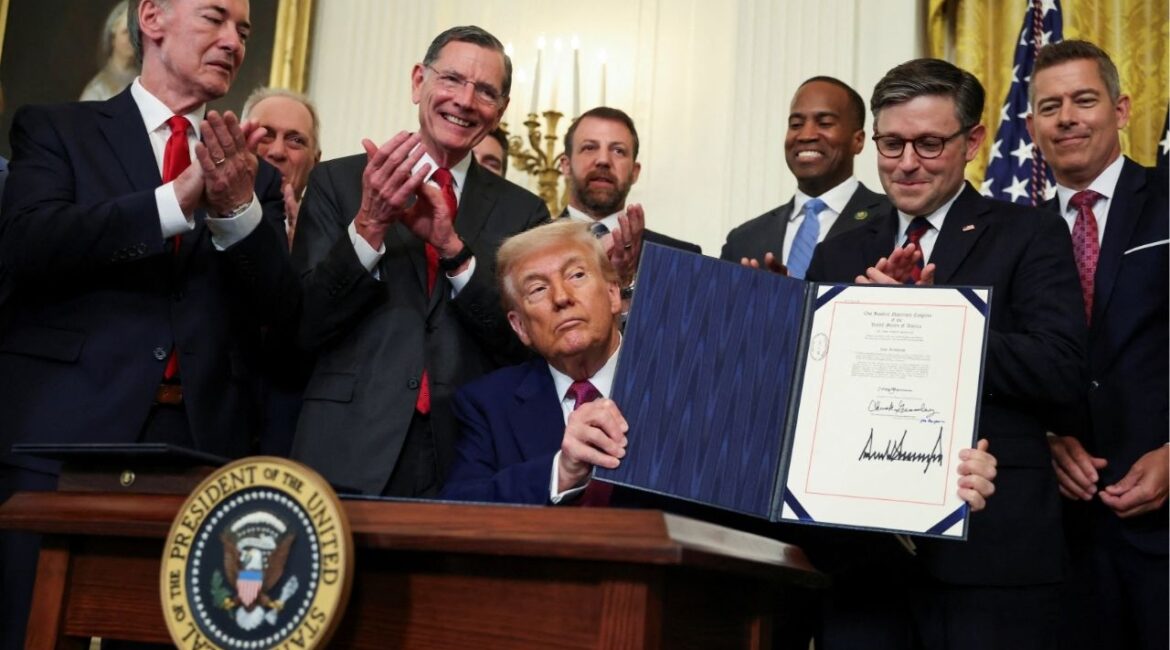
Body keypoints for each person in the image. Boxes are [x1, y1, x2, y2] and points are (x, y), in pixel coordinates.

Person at [0, 0, 295, 647]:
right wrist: (173, 200)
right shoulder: (58, 130)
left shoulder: (256, 177)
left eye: (244, 30)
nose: (233, 41)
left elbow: (278, 310)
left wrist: (239, 210)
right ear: (153, 18)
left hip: (198, 448)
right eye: (215, 19)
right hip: (66, 434)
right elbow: (26, 243)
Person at [804, 58, 1086, 650]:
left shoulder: (1028, 233)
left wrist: (935, 320)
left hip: (992, 557)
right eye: (891, 143)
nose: (907, 163)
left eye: (930, 143)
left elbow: (1060, 371)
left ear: (973, 141)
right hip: (862, 560)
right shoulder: (839, 252)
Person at [441, 220, 1000, 517]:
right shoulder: (485, 404)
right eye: (538, 290)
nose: (562, 297)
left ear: (616, 295)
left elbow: (800, 471)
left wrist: (936, 472)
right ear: (518, 326)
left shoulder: (697, 374)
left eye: (577, 276)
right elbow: (453, 513)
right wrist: (561, 471)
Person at [290, 25, 549, 498]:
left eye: (486, 91)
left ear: (501, 111)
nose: (466, 101)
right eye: (451, 79)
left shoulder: (525, 212)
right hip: (348, 443)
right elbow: (303, 325)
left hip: (469, 453)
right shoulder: (337, 183)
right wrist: (369, 225)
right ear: (418, 83)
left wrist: (455, 253)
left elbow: (527, 343)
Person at [1027, 39, 1168, 650]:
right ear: (1030, 126)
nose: (1067, 118)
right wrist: (1045, 439)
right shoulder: (1013, 234)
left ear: (1122, 109)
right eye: (1049, 106)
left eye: (1084, 100)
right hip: (1057, 540)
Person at [721, 76, 887, 276]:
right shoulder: (743, 240)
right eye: (796, 124)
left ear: (858, 140)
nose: (806, 135)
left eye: (824, 123)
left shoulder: (893, 221)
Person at [558, 107, 701, 302]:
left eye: (618, 151)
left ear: (634, 172)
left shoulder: (681, 261)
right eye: (589, 147)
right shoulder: (528, 245)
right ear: (565, 165)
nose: (603, 160)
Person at [242, 87, 321, 247]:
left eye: (296, 141)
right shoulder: (200, 220)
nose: (277, 152)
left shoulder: (332, 239)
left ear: (315, 162)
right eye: (264, 135)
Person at [80, 1, 140, 102]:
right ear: (113, 38)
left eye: (135, 33)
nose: (131, 39)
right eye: (125, 32)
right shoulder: (97, 91)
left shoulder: (142, 81)